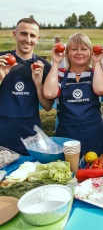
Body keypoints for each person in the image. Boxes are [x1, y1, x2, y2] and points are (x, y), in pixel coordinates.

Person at [43, 33, 103, 157]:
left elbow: (101, 90)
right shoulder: (60, 75)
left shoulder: (94, 74)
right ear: (67, 53)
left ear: (90, 52)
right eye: (74, 49)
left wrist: (96, 62)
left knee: (97, 172)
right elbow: (49, 93)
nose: (79, 52)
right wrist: (56, 63)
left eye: (84, 49)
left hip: (94, 135)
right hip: (66, 136)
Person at [0, 18, 54, 155]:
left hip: (30, 133)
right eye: (23, 33)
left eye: (32, 35)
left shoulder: (45, 67)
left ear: (38, 38)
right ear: (14, 34)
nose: (28, 39)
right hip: (2, 130)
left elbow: (48, 106)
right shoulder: (1, 61)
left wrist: (38, 84)